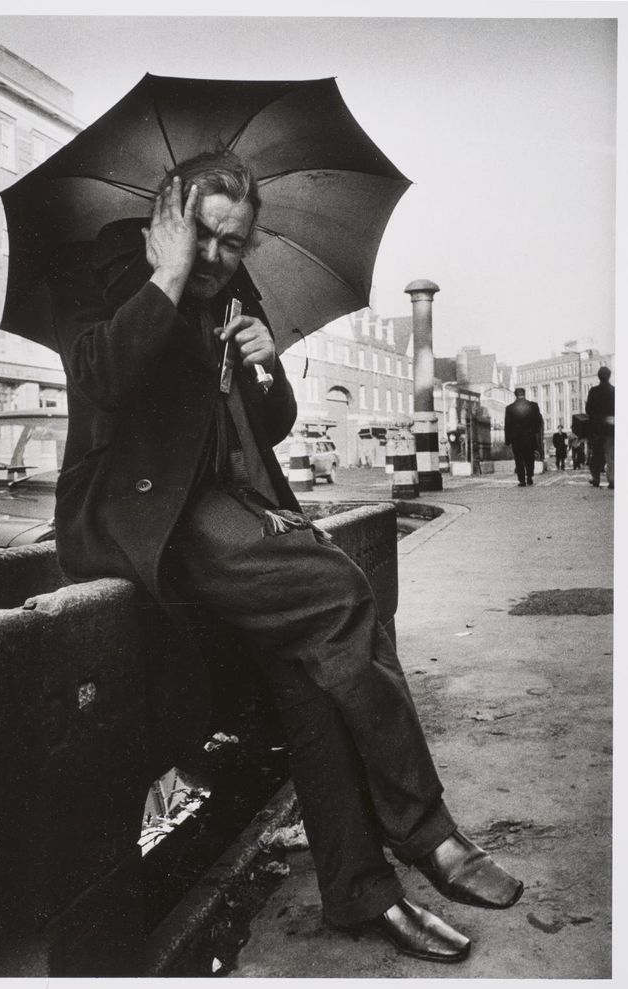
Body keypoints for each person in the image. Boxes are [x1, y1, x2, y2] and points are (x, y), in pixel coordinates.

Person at [48, 150, 522, 965]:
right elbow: (100, 378)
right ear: (172, 211)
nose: (219, 258)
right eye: (207, 235)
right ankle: (425, 830)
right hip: (145, 516)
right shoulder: (115, 266)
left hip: (232, 510)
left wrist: (268, 369)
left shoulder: (230, 291)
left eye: (236, 244)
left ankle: (360, 890)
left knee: (313, 676)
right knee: (339, 590)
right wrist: (163, 279)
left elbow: (262, 428)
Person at [504, 387, 544, 486]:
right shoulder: (533, 406)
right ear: (524, 394)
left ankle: (522, 480)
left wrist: (508, 440)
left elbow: (507, 425)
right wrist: (534, 433)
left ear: (515, 395)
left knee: (519, 459)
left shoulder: (510, 408)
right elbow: (538, 422)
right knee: (530, 457)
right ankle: (529, 476)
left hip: (516, 439)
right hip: (529, 437)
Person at [586, 366, 615, 489]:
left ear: (598, 377)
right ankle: (612, 479)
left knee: (596, 454)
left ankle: (596, 478)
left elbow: (588, 410)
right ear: (609, 376)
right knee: (611, 455)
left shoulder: (593, 391)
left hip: (596, 428)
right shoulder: (614, 390)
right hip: (610, 427)